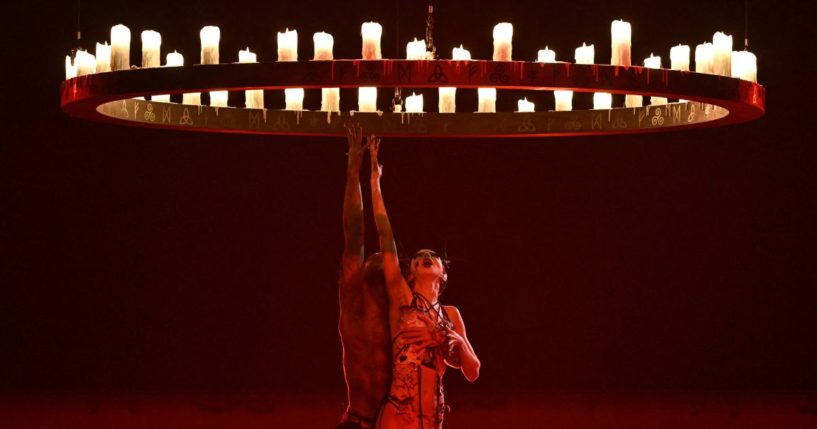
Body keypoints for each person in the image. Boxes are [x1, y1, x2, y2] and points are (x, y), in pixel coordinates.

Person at [368, 135, 480, 429]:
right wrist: (375, 182)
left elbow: (473, 371)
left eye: (433, 257)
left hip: (432, 417)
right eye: (418, 258)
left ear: (443, 273)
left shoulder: (451, 314)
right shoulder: (403, 301)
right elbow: (386, 237)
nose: (426, 257)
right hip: (399, 415)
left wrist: (455, 340)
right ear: (410, 274)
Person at [337, 126, 443, 429]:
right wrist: (353, 169)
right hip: (357, 420)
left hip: (391, 420)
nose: (378, 260)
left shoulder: (398, 309)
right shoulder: (353, 294)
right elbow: (355, 232)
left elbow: (388, 245)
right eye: (375, 260)